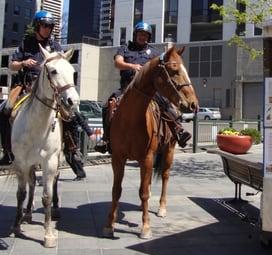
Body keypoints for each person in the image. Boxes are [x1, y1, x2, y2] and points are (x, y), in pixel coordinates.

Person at [0, 10, 85, 173]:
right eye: (45, 25)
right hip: (26, 85)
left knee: (69, 115)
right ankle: (7, 151)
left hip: (50, 88)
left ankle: (72, 149)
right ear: (37, 26)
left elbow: (62, 66)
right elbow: (11, 65)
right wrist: (23, 62)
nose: (48, 29)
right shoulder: (26, 43)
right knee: (5, 109)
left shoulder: (55, 46)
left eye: (50, 26)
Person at [94, 21, 191, 153]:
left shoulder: (154, 53)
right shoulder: (125, 48)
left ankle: (178, 129)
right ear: (135, 35)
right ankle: (106, 138)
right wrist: (132, 66)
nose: (142, 37)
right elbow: (118, 63)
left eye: (145, 35)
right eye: (140, 34)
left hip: (148, 89)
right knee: (108, 105)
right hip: (126, 87)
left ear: (148, 37)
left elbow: (164, 65)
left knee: (165, 104)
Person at [63, 110, 96, 180]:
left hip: (73, 137)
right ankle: (80, 166)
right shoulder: (61, 112)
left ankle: (81, 174)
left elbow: (83, 123)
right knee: (69, 156)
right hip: (66, 137)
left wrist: (90, 133)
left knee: (72, 155)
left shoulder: (74, 113)